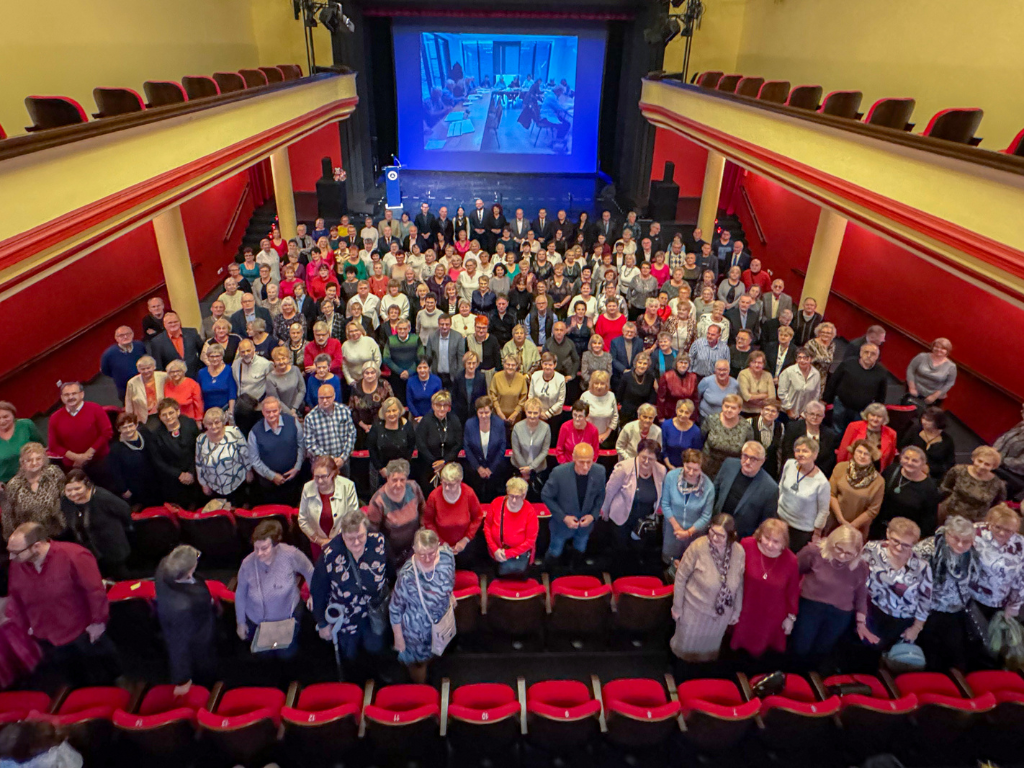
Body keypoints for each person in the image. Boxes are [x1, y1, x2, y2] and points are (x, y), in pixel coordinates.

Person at [6, 522, 120, 687]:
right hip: (48, 637)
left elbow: (94, 592)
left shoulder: (74, 555)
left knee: (103, 681)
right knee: (73, 682)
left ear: (36, 546)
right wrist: (25, 627)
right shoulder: (17, 565)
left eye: (15, 552)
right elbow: (15, 597)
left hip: (82, 633)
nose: (10, 558)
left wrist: (97, 622)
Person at [311, 511, 389, 679]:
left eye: (360, 536)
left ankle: (375, 678)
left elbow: (390, 569)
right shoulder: (330, 554)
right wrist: (322, 622)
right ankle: (355, 682)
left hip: (374, 610)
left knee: (375, 647)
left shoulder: (379, 542)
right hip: (345, 616)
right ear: (342, 535)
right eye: (350, 538)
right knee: (350, 653)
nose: (356, 542)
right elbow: (318, 590)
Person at [670, 514, 745, 663]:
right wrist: (677, 607)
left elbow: (739, 582)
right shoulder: (698, 546)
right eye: (712, 532)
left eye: (720, 535)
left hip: (719, 617)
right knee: (685, 653)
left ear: (730, 536)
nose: (715, 538)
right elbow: (680, 578)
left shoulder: (739, 552)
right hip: (694, 612)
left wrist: (737, 610)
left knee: (707, 656)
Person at [789, 525, 869, 665]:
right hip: (810, 605)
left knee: (822, 649)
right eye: (839, 549)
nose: (843, 556)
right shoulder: (813, 552)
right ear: (831, 542)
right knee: (800, 646)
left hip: (840, 613)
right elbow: (793, 573)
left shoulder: (861, 566)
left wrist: (861, 620)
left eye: (849, 553)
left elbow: (861, 593)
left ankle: (813, 677)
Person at [234, 520, 314, 659]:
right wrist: (240, 622)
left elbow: (310, 571)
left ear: (276, 545)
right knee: (263, 656)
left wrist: (313, 593)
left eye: (264, 548)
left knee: (287, 654)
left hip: (286, 620)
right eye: (256, 548)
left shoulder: (291, 555)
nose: (259, 553)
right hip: (258, 622)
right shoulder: (247, 563)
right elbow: (240, 593)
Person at [389, 528, 455, 684]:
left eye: (431, 553)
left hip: (439, 623)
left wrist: (449, 593)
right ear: (414, 550)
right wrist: (398, 638)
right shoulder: (407, 576)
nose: (426, 559)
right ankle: (421, 689)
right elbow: (394, 609)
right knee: (418, 665)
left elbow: (451, 575)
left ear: (438, 546)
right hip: (415, 631)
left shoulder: (446, 556)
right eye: (421, 554)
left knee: (436, 654)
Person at [913, 516, 979, 671]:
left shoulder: (973, 553)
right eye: (956, 539)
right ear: (947, 534)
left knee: (955, 654)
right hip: (928, 609)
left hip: (955, 609)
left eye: (966, 541)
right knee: (929, 652)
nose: (961, 545)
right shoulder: (927, 549)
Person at [729, 519, 799, 661]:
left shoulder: (791, 560)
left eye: (776, 541)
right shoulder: (746, 545)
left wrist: (791, 618)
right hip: (744, 608)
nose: (769, 544)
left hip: (770, 616)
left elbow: (792, 591)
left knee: (761, 656)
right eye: (767, 538)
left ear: (784, 543)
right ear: (760, 534)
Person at [860, 517, 931, 651]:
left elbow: (925, 601)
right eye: (895, 541)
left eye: (906, 545)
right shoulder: (872, 549)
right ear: (888, 534)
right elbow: (857, 575)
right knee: (864, 650)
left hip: (901, 620)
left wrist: (916, 628)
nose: (899, 548)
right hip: (872, 611)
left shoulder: (922, 566)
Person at [154, 544, 216, 693]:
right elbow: (177, 643)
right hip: (197, 635)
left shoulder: (165, 565)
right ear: (189, 572)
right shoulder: (181, 608)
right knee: (205, 669)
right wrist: (182, 679)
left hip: (195, 616)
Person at [601, 440, 666, 573]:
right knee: (621, 550)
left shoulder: (661, 470)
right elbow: (610, 490)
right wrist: (605, 509)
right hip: (622, 517)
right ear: (638, 454)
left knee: (638, 549)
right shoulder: (624, 468)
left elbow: (660, 492)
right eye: (643, 457)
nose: (647, 462)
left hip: (643, 520)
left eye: (651, 459)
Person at [541, 443, 606, 571]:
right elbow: (546, 495)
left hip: (585, 525)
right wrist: (563, 517)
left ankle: (574, 572)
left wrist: (593, 515)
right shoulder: (559, 473)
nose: (586, 467)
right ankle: (549, 573)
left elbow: (601, 495)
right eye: (582, 462)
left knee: (580, 549)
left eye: (589, 462)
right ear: (573, 458)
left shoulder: (600, 471)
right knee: (555, 550)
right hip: (561, 525)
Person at [59, 470, 131, 580]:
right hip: (89, 553)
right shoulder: (66, 502)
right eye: (69, 490)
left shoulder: (103, 498)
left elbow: (125, 510)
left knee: (122, 581)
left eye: (77, 488)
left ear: (87, 485)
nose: (73, 493)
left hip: (113, 551)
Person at [970, 504, 1024, 625]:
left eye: (1008, 531)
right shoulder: (975, 534)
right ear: (990, 522)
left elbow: (1022, 578)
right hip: (973, 597)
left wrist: (1014, 605)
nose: (1001, 533)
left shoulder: (1020, 544)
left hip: (1002, 602)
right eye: (998, 527)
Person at [298, 456, 360, 561]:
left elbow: (353, 518)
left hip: (343, 541)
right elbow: (302, 519)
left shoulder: (348, 486)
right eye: (316, 477)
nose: (320, 481)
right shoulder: (307, 488)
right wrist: (320, 541)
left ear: (333, 474)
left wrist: (334, 541)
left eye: (324, 476)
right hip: (317, 543)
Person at [47, 382, 113, 479]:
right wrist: (77, 458)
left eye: (74, 393)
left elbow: (107, 433)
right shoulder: (54, 418)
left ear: (82, 394)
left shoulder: (95, 409)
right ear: (61, 397)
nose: (70, 397)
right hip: (74, 465)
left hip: (100, 460)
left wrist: (87, 454)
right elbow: (53, 445)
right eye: (66, 395)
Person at [365, 459, 425, 566]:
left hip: (415, 546)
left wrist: (421, 532)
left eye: (402, 480)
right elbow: (373, 533)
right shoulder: (378, 501)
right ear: (387, 478)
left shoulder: (414, 487)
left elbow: (423, 511)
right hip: (391, 553)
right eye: (394, 480)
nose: (398, 484)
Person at [660, 449, 715, 564]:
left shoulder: (708, 487)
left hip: (695, 534)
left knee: (690, 563)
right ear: (683, 464)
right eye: (688, 467)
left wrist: (688, 532)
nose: (690, 473)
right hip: (672, 531)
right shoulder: (671, 477)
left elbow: (706, 516)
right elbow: (665, 504)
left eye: (695, 470)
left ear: (701, 468)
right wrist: (677, 528)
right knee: (669, 562)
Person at [423, 463, 484, 566]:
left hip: (465, 546)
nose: (446, 488)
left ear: (459, 481)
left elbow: (478, 517)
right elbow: (428, 522)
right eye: (444, 483)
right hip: (441, 547)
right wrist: (441, 543)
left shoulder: (469, 493)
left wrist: (465, 540)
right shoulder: (434, 496)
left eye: (451, 485)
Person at [777, 436, 831, 551]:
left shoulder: (822, 482)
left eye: (805, 451)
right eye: (797, 450)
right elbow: (781, 486)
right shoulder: (789, 464)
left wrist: (817, 533)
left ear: (815, 454)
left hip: (801, 529)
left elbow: (823, 510)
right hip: (780, 518)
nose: (800, 454)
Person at [247, 397, 304, 506]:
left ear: (280, 409)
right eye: (268, 412)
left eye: (274, 411)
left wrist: (297, 467)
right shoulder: (254, 432)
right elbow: (254, 460)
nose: (272, 415)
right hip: (268, 484)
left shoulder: (293, 422)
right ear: (263, 412)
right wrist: (272, 476)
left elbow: (301, 445)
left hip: (292, 480)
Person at [3, 445, 66, 540]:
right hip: (28, 537)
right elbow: (8, 515)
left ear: (44, 460)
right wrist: (12, 539)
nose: (34, 463)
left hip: (56, 534)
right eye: (29, 460)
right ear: (22, 463)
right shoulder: (14, 484)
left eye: (38, 459)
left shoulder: (54, 474)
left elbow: (65, 500)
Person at [147, 398, 201, 508]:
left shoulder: (190, 424)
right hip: (173, 479)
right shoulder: (155, 435)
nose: (168, 417)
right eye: (164, 415)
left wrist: (191, 472)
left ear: (178, 412)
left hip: (193, 473)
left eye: (171, 413)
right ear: (160, 417)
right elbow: (158, 461)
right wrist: (179, 475)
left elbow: (198, 449)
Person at [824, 343, 888, 435]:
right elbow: (833, 382)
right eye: (866, 352)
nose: (869, 356)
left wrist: (877, 409)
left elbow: (881, 393)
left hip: (863, 410)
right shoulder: (847, 364)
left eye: (873, 354)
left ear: (877, 357)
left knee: (856, 432)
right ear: (861, 353)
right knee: (836, 430)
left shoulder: (881, 372)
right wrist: (826, 399)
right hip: (841, 404)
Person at [828, 439, 884, 541]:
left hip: (858, 528)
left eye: (866, 454)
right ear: (853, 452)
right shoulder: (840, 467)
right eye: (859, 452)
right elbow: (831, 494)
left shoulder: (879, 481)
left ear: (872, 457)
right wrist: (841, 519)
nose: (862, 456)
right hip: (833, 520)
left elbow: (873, 510)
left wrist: (851, 526)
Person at [195, 408, 252, 506]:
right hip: (214, 485)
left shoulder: (234, 432)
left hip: (236, 482)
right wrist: (203, 484)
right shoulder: (201, 439)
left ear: (223, 422)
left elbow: (245, 453)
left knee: (238, 511)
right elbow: (199, 463)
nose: (214, 426)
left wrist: (249, 471)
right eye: (210, 423)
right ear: (205, 425)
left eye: (217, 422)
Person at [938, 446, 1007, 523]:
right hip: (950, 513)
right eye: (979, 461)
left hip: (975, 521)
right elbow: (945, 488)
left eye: (987, 464)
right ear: (973, 458)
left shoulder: (998, 484)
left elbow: (997, 504)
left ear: (993, 466)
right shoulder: (958, 470)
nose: (981, 466)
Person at [485, 477, 540, 576]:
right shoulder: (496, 503)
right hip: (496, 554)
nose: (514, 500)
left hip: (519, 558)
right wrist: (495, 549)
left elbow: (530, 541)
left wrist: (508, 554)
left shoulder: (530, 512)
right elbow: (487, 526)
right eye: (511, 496)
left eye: (517, 497)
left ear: (524, 496)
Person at [416, 391, 463, 490]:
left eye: (445, 405)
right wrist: (434, 463)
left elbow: (458, 443)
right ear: (433, 406)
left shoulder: (454, 420)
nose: (442, 409)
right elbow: (421, 445)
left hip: (449, 466)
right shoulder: (425, 421)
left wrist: (445, 461)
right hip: (429, 467)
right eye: (438, 405)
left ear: (449, 407)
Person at [303, 384, 356, 471]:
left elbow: (351, 434)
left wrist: (343, 457)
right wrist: (330, 460)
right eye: (321, 398)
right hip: (321, 465)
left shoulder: (344, 411)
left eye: (328, 397)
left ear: (334, 396)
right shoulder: (310, 418)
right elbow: (310, 444)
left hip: (343, 462)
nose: (324, 401)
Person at [108, 412, 156, 509]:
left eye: (131, 426)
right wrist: (124, 489)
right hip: (134, 488)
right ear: (119, 429)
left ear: (136, 425)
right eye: (124, 427)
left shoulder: (145, 434)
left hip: (153, 483)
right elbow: (116, 472)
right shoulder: (115, 448)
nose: (128, 430)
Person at [701, 394, 754, 478]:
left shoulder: (746, 427)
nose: (729, 410)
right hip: (708, 465)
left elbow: (748, 448)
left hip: (732, 468)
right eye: (726, 406)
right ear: (722, 406)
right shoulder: (711, 419)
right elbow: (702, 438)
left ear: (739, 409)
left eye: (733, 408)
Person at [781, 400, 838, 477]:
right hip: (794, 470)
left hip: (817, 474)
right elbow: (788, 452)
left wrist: (813, 472)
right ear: (805, 414)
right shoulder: (793, 428)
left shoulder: (830, 435)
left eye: (818, 415)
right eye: (812, 414)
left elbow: (828, 460)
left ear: (823, 416)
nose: (815, 417)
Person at [899, 406, 956, 482]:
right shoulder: (915, 430)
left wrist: (930, 468)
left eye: (928, 420)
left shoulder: (947, 441)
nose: (924, 422)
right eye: (923, 418)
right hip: (908, 467)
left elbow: (949, 464)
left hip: (931, 476)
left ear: (938, 422)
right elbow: (902, 447)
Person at [906, 339, 957, 408]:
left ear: (947, 351)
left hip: (933, 397)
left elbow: (949, 383)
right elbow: (910, 370)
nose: (939, 350)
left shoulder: (951, 366)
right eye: (937, 347)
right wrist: (912, 388)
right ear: (932, 347)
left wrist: (934, 396)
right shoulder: (922, 357)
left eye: (943, 348)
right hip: (915, 390)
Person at [151, 312, 204, 377]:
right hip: (173, 380)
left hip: (196, 376)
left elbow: (202, 352)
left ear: (180, 322)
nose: (173, 324)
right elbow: (158, 365)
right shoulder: (157, 341)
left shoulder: (192, 333)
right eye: (170, 323)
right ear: (164, 324)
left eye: (175, 322)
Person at [100, 326, 146, 402]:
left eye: (128, 334)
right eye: (121, 335)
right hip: (125, 389)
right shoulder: (109, 354)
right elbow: (105, 371)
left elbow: (146, 359)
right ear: (116, 338)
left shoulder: (139, 346)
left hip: (143, 384)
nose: (125, 337)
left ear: (132, 335)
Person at [777, 347, 821, 420]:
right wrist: (789, 410)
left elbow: (816, 395)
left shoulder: (816, 374)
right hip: (786, 413)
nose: (802, 360)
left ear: (811, 359)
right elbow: (782, 393)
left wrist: (805, 413)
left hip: (805, 415)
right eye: (799, 358)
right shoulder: (788, 372)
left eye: (805, 358)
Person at [579, 370, 619, 449]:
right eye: (596, 383)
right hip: (587, 436)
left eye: (602, 383)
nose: (599, 386)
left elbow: (615, 417)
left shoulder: (611, 396)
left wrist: (606, 434)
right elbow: (580, 418)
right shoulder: (585, 396)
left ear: (607, 384)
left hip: (607, 438)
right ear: (592, 383)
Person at [993, 403, 1024, 500]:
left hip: (1012, 474)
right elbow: (1003, 438)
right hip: (997, 463)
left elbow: (1022, 462)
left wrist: (1001, 460)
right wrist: (994, 452)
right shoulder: (1021, 425)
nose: (1021, 411)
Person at [616, 353, 656, 425]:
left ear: (648, 366)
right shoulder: (626, 376)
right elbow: (619, 395)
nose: (642, 366)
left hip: (643, 412)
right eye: (640, 363)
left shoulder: (650, 377)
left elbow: (651, 395)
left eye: (645, 364)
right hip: (627, 412)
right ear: (635, 363)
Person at [656, 355, 698, 422]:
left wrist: (693, 417)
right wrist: (660, 417)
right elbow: (661, 398)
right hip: (670, 415)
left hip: (687, 415)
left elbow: (695, 399)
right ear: (676, 363)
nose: (683, 365)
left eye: (686, 363)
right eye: (681, 362)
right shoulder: (666, 376)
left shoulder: (693, 377)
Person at [662, 399, 703, 469]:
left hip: (687, 468)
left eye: (687, 413)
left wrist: (686, 468)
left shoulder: (696, 431)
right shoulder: (666, 425)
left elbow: (695, 453)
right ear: (676, 410)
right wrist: (669, 466)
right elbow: (663, 449)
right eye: (681, 411)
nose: (683, 415)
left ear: (691, 414)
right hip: (666, 465)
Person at [197, 344, 237, 413]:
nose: (214, 359)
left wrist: (231, 411)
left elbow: (232, 394)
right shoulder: (201, 373)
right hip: (207, 412)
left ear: (222, 357)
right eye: (212, 356)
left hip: (225, 410)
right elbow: (199, 395)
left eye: (217, 356)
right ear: (208, 357)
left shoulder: (229, 370)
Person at [804, 322, 837, 393]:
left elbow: (829, 359)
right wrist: (819, 358)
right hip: (809, 374)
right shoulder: (811, 344)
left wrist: (819, 358)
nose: (825, 334)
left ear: (832, 335)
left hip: (822, 376)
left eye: (828, 333)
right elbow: (804, 359)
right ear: (819, 332)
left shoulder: (832, 344)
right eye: (823, 332)